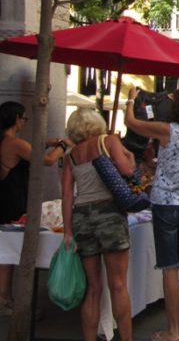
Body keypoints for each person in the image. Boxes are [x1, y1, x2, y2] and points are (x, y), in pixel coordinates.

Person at [125, 86, 179, 341]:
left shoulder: (168, 131)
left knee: (170, 268)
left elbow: (131, 122)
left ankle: (172, 331)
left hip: (166, 203)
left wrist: (130, 99)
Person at [61, 108, 136, 341]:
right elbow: (127, 170)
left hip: (82, 216)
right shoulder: (108, 141)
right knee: (118, 284)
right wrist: (130, 157)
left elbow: (66, 196)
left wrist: (68, 232)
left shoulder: (70, 156)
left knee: (92, 289)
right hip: (109, 213)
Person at [0, 101, 68, 316]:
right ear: (17, 119)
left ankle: (5, 297)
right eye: (24, 118)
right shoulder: (13, 143)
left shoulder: (6, 141)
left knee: (5, 249)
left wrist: (47, 142)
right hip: (11, 198)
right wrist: (63, 147)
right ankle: (4, 299)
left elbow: (32, 147)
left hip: (6, 195)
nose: (24, 122)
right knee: (7, 251)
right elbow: (47, 161)